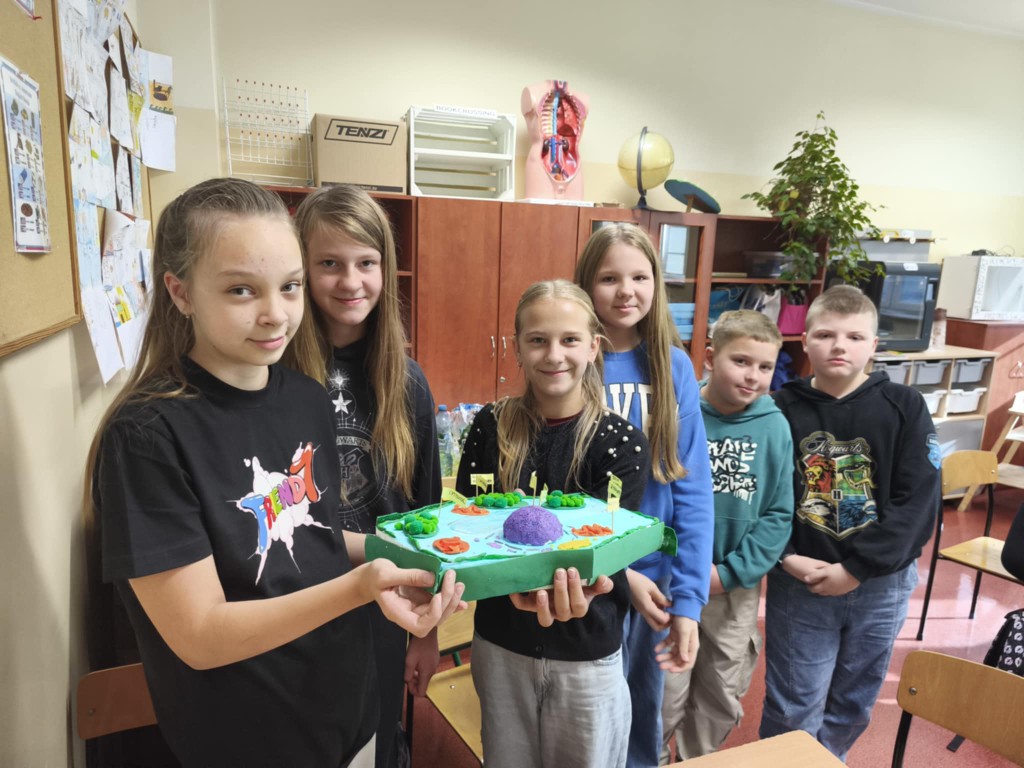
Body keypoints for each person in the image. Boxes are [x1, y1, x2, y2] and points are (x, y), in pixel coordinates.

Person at [84, 177, 464, 768]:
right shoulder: (146, 437)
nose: (275, 314)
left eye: (289, 287)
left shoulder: (306, 397)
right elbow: (200, 635)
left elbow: (316, 537)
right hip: (251, 737)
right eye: (241, 290)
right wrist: (359, 587)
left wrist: (405, 558)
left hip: (349, 711)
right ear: (180, 292)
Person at [455, 279, 652, 768]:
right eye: (538, 340)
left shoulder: (620, 442)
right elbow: (466, 525)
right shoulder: (489, 427)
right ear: (517, 348)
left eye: (569, 340)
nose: (554, 354)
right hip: (501, 646)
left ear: (593, 346)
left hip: (587, 653)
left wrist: (577, 583)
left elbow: (604, 550)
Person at [291, 184, 442, 768]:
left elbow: (427, 515)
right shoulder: (278, 372)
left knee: (374, 746)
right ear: (302, 269)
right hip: (300, 605)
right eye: (329, 263)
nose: (350, 281)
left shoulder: (407, 381)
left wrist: (427, 633)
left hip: (386, 611)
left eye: (366, 263)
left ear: (386, 269)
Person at [758, 284, 940, 760]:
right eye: (826, 335)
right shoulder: (779, 408)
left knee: (854, 701)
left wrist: (858, 568)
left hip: (881, 584)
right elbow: (762, 496)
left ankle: (828, 761)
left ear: (873, 345)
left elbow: (918, 502)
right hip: (802, 580)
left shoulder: (905, 406)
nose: (840, 346)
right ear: (804, 341)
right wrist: (784, 557)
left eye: (855, 337)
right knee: (792, 703)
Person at [574, 223, 713, 768]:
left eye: (640, 277)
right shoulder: (572, 360)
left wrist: (689, 601)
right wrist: (616, 572)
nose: (626, 291)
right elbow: (562, 493)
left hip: (655, 582)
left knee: (639, 725)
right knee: (585, 724)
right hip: (586, 578)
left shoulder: (673, 367)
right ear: (586, 284)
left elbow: (692, 490)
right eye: (609, 278)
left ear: (657, 283)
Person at [659, 310, 794, 763]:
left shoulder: (775, 426)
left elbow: (778, 514)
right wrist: (683, 569)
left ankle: (696, 761)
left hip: (733, 591)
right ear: (710, 358)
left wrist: (730, 573)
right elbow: (659, 497)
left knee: (720, 690)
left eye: (765, 366)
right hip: (674, 582)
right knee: (664, 688)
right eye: (741, 361)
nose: (753, 376)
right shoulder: (680, 414)